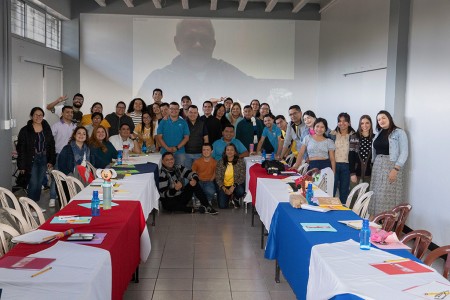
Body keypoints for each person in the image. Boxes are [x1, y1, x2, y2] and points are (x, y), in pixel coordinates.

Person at [138, 19, 255, 102]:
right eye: (190, 38)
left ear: (213, 44)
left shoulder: (228, 72)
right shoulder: (158, 78)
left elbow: (256, 88)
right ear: (177, 42)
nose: (198, 45)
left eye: (204, 39)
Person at [369, 110, 408, 216]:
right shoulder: (378, 134)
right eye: (378, 119)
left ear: (389, 118)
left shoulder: (399, 132)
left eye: (383, 118)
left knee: (386, 196)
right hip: (378, 167)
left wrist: (396, 169)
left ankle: (388, 225)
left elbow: (404, 152)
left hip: (391, 166)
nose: (381, 120)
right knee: (375, 195)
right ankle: (376, 223)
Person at [17, 107, 56, 210]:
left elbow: (51, 145)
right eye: (36, 115)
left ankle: (34, 205)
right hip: (32, 159)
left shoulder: (46, 129)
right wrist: (21, 165)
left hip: (43, 158)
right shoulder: (25, 130)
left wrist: (51, 160)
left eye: (41, 115)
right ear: (31, 116)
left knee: (39, 182)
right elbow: (20, 148)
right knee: (33, 182)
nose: (38, 117)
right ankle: (30, 207)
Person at [50, 105, 77, 207]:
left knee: (69, 175)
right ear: (62, 113)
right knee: (56, 176)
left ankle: (69, 196)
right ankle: (52, 198)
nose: (70, 114)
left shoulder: (75, 126)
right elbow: (50, 141)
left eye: (71, 112)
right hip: (59, 154)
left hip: (71, 155)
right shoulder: (56, 126)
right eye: (67, 112)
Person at [329, 113, 356, 203]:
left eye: (345, 121)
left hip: (347, 166)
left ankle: (343, 210)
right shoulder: (332, 134)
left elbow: (355, 154)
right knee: (331, 189)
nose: (342, 123)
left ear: (349, 122)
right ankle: (330, 209)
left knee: (344, 191)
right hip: (334, 165)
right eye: (340, 121)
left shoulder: (353, 135)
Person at [215, 143, 246, 209]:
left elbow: (242, 177)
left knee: (241, 191)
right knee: (222, 206)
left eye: (232, 150)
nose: (229, 152)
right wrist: (225, 189)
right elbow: (218, 178)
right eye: (228, 150)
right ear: (225, 152)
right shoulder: (220, 162)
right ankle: (229, 196)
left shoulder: (240, 162)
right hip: (224, 185)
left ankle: (235, 197)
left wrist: (233, 187)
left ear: (235, 152)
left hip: (235, 185)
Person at [349, 115, 374, 187]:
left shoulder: (374, 138)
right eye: (362, 123)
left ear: (371, 124)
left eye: (367, 123)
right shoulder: (354, 136)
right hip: (356, 171)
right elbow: (351, 155)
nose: (364, 125)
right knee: (353, 195)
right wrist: (352, 173)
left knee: (367, 195)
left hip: (369, 172)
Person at [184, 105, 208, 170]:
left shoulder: (202, 123)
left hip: (199, 153)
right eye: (191, 112)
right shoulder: (183, 123)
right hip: (186, 153)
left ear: (197, 114)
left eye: (195, 113)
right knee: (186, 173)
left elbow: (206, 139)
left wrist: (205, 152)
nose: (193, 114)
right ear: (187, 113)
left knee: (198, 173)